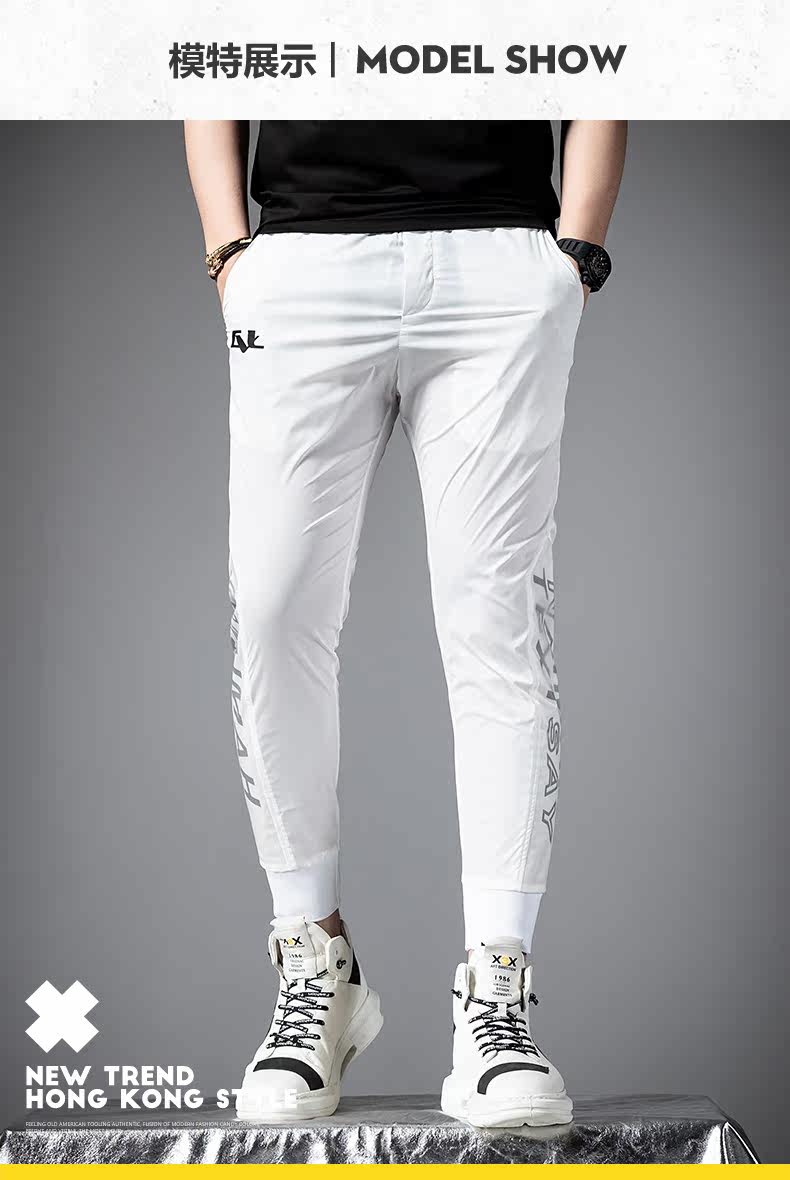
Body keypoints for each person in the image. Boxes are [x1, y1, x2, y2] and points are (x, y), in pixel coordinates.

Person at [185, 119, 626, 1128]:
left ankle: (496, 998)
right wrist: (228, 251)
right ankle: (314, 965)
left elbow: (607, 58)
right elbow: (206, 65)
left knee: (496, 617)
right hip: (300, 261)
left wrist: (577, 253)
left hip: (497, 258)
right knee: (273, 607)